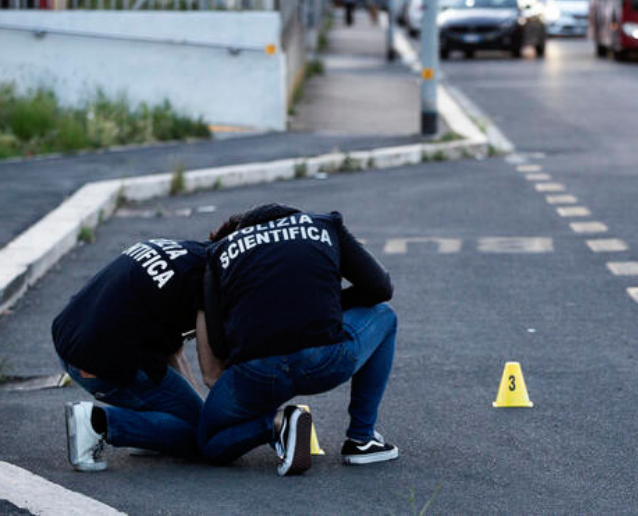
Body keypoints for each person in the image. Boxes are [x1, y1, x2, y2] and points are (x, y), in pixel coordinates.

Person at [197, 203, 398, 476]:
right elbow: (380, 288)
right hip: (325, 360)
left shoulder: (217, 252)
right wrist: (323, 305)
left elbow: (219, 344)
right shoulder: (326, 225)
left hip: (255, 372)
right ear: (296, 219)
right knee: (384, 316)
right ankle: (361, 439)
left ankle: (278, 424)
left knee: (208, 443)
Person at [51, 238, 208, 472]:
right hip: (103, 361)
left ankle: (146, 434)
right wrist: (204, 418)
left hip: (69, 345)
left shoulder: (182, 251)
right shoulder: (208, 280)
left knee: (197, 417)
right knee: (204, 437)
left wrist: (196, 407)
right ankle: (98, 423)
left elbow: (174, 351)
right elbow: (209, 372)